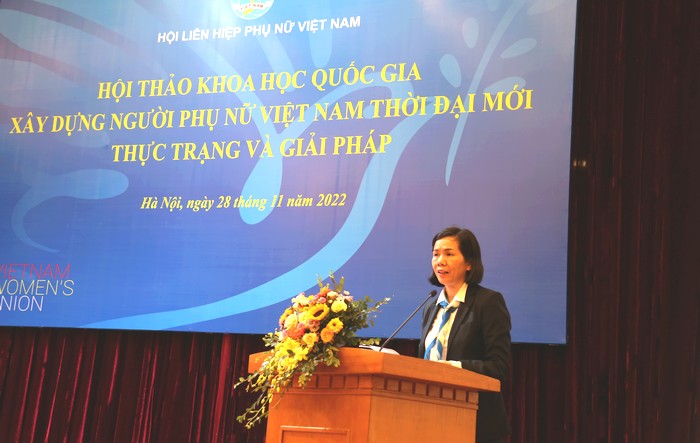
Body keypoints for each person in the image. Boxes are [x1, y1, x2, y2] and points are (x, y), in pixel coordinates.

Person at [418, 226, 511, 443]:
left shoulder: (488, 302)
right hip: (430, 414)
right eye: (436, 254)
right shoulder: (431, 307)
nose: (440, 261)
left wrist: (451, 368)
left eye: (449, 254)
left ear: (469, 263)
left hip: (475, 420)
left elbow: (499, 367)